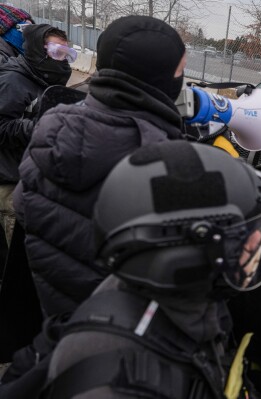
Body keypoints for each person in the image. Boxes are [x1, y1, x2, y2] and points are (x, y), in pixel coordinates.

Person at [41, 141, 261, 398]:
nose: (257, 242)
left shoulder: (174, 298)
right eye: (243, 234)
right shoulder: (117, 386)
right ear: (183, 258)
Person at [13, 15, 186, 318]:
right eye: (180, 69)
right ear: (161, 77)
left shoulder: (54, 123)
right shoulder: (161, 158)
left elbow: (23, 204)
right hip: (115, 328)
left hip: (50, 312)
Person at [0, 23, 72, 246]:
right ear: (38, 51)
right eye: (56, 52)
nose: (62, 60)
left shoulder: (40, 78)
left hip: (29, 175)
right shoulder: (13, 81)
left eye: (66, 53)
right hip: (9, 181)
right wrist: (41, 126)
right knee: (22, 250)